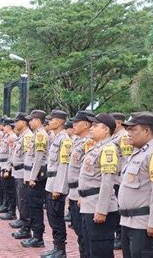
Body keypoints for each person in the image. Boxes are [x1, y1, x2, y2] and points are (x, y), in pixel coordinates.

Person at [118, 113, 153, 257]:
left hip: (144, 223)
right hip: (128, 222)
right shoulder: (138, 153)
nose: (128, 133)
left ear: (146, 131)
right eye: (128, 129)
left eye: (133, 129)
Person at [79, 113, 120, 258]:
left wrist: (102, 210)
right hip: (89, 204)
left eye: (95, 126)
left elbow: (107, 182)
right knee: (89, 248)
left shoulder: (108, 149)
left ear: (106, 130)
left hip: (98, 206)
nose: (91, 128)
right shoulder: (95, 148)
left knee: (100, 250)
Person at [42, 110, 72, 257]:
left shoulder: (64, 139)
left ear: (60, 122)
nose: (49, 122)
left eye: (52, 120)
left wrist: (58, 188)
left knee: (57, 217)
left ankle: (61, 250)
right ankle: (56, 247)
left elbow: (63, 165)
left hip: (57, 184)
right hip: (51, 181)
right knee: (52, 216)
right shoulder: (56, 137)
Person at [67, 111, 95, 257]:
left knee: (86, 235)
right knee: (79, 232)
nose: (73, 125)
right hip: (73, 192)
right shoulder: (78, 141)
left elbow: (89, 173)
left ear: (85, 125)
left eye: (76, 123)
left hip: (81, 193)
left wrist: (80, 194)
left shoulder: (89, 143)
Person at [21, 110, 49, 249]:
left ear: (38, 120)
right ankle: (35, 235)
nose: (30, 122)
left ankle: (38, 237)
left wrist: (32, 177)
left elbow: (38, 158)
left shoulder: (41, 136)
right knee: (31, 206)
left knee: (35, 207)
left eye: (31, 120)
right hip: (31, 175)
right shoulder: (37, 135)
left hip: (36, 178)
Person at [110, 112, 134, 250]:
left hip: (120, 179)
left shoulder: (124, 137)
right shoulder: (116, 136)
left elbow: (126, 159)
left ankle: (119, 237)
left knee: (120, 209)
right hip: (116, 178)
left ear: (118, 123)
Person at [10, 113, 33, 239]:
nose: (15, 124)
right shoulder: (22, 136)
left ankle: (26, 228)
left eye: (17, 121)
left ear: (23, 122)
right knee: (20, 200)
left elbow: (28, 157)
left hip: (23, 172)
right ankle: (23, 222)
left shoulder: (28, 137)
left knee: (24, 201)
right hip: (18, 172)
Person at [0, 118, 17, 219]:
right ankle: (7, 207)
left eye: (4, 126)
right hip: (3, 164)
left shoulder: (12, 137)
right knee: (5, 188)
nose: (3, 127)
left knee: (10, 190)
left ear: (9, 126)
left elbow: (11, 154)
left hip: (7, 165)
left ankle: (11, 211)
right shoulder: (6, 136)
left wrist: (7, 169)